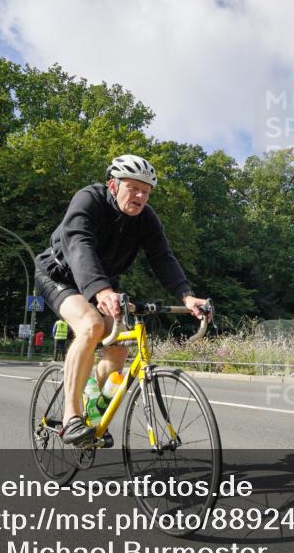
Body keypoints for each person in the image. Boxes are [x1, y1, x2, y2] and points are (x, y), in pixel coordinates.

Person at [34, 155, 208, 444]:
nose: (141, 196)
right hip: (60, 276)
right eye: (134, 188)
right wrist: (101, 292)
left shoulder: (147, 219)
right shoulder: (88, 199)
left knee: (119, 349)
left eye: (147, 191)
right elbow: (79, 244)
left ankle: (92, 409)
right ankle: (71, 416)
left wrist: (187, 296)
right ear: (113, 186)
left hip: (102, 284)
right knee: (90, 326)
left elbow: (163, 258)